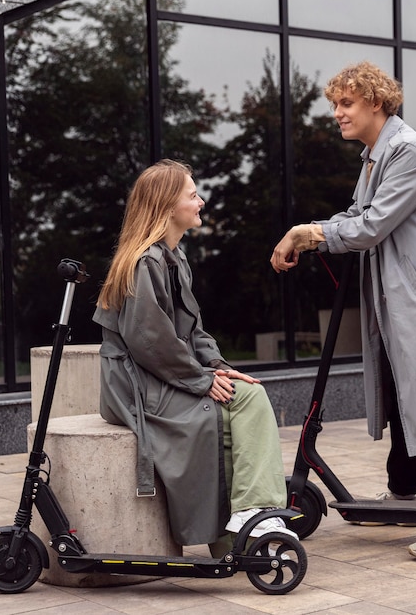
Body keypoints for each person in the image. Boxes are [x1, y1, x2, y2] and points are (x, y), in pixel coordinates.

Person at [270, 61, 416, 563]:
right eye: (336, 104)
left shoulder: (411, 152)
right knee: (406, 388)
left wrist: (307, 234)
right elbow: (356, 218)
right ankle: (404, 494)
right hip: (411, 296)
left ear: (376, 102)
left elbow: (372, 226)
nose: (337, 113)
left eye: (346, 103)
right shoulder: (376, 156)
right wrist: (312, 233)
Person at [93, 158, 295, 554]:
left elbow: (193, 331)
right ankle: (254, 515)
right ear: (168, 206)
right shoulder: (146, 262)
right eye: (193, 195)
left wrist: (221, 368)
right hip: (137, 385)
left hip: (160, 376)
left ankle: (239, 532)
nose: (201, 201)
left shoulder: (173, 257)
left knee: (242, 400)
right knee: (242, 405)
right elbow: (149, 341)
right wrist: (202, 381)